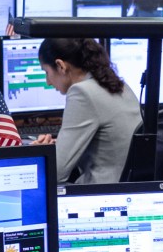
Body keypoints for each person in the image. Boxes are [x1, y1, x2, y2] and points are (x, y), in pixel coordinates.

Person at [33, 35, 139, 183]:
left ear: (61, 66)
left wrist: (40, 154)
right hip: (126, 187)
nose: (48, 82)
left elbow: (55, 173)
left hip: (101, 194)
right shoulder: (119, 85)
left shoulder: (82, 93)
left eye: (46, 72)